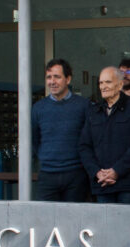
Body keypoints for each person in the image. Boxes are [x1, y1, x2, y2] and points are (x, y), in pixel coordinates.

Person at [79, 67, 130, 204]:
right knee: (105, 225)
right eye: (101, 83)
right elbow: (84, 146)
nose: (103, 87)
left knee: (129, 225)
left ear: (119, 85)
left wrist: (116, 170)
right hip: (102, 184)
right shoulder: (93, 111)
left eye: (108, 82)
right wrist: (97, 173)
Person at [31, 58, 90, 202]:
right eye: (49, 77)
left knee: (75, 221)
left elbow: (90, 138)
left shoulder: (84, 106)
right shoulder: (38, 108)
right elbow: (34, 139)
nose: (52, 81)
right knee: (44, 221)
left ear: (68, 79)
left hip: (76, 174)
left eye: (57, 77)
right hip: (47, 175)